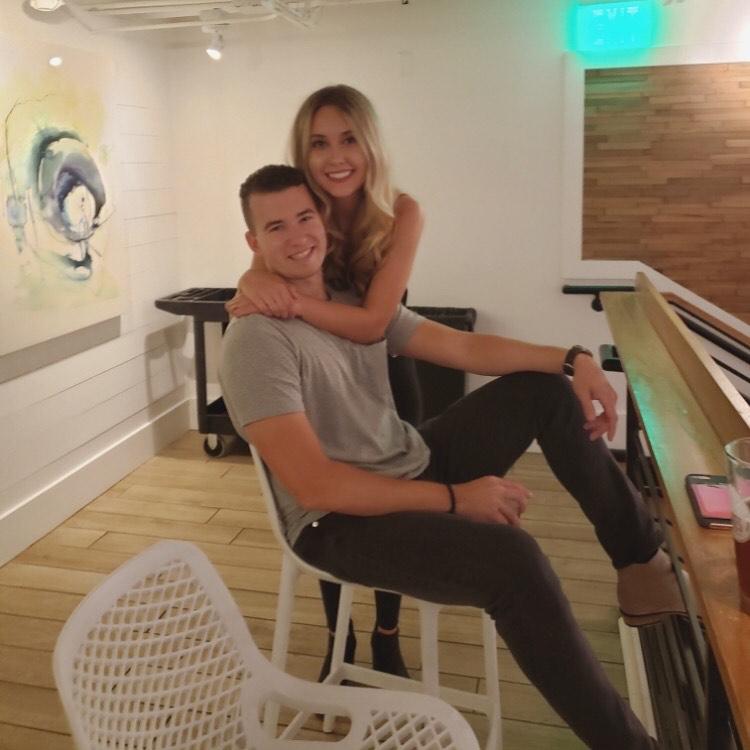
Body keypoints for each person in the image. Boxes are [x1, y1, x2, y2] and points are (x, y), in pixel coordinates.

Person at [220, 164, 685, 749]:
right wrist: (456, 499)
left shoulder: (350, 304)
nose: (297, 236)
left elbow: (462, 346)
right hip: (334, 523)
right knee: (514, 562)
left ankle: (641, 564)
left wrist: (573, 359)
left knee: (546, 389)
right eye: (276, 227)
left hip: (407, 460)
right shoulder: (255, 340)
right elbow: (317, 487)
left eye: (305, 217)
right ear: (254, 241)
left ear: (324, 221)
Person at [227, 85, 424, 681]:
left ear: (370, 145)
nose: (335, 157)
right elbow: (260, 266)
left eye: (348, 140)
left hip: (380, 360)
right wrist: (250, 280)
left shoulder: (400, 212)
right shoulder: (302, 205)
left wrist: (280, 295)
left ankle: (387, 631)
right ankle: (339, 636)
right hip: (319, 363)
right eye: (319, 143)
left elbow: (373, 323)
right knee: (327, 491)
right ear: (303, 152)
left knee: (392, 491)